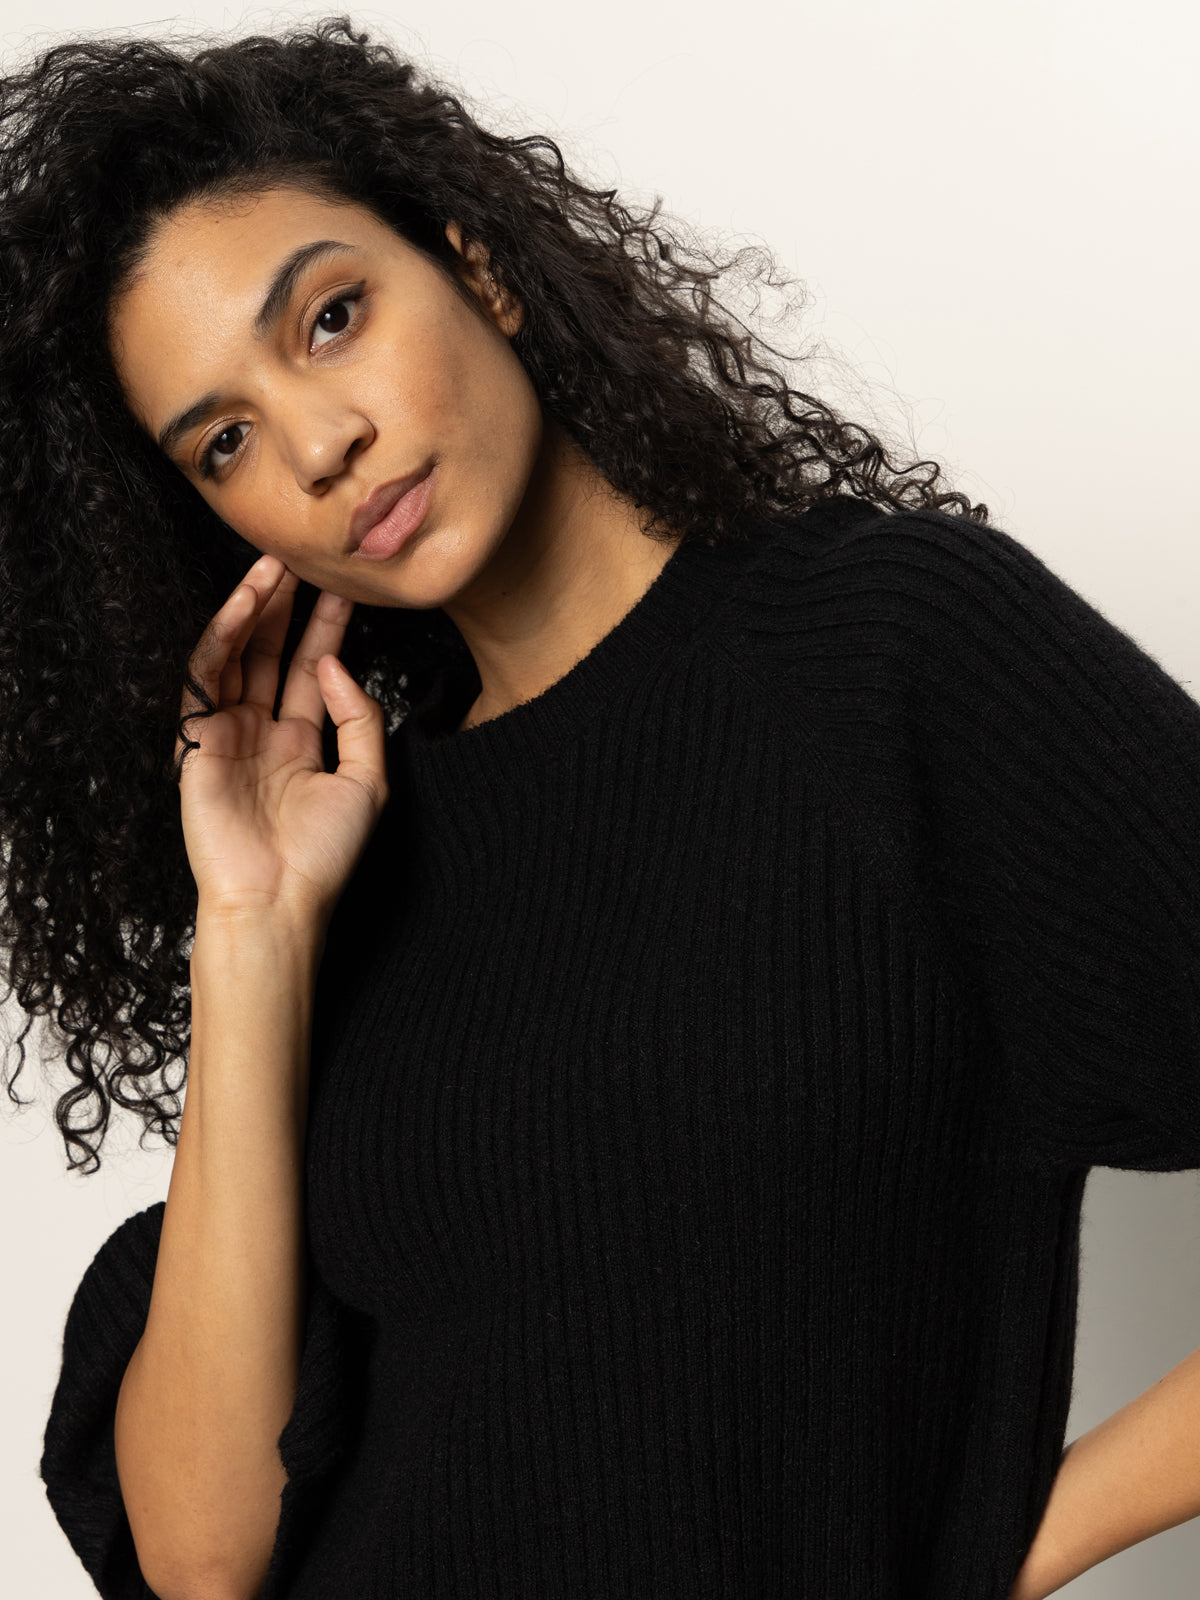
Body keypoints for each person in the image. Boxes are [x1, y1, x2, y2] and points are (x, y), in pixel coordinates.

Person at [2, 15, 1199, 1600]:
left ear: (481, 265)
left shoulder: (888, 660)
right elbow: (204, 1556)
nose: (317, 442)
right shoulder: (343, 857)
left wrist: (990, 1551)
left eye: (333, 318)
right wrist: (254, 924)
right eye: (225, 440)